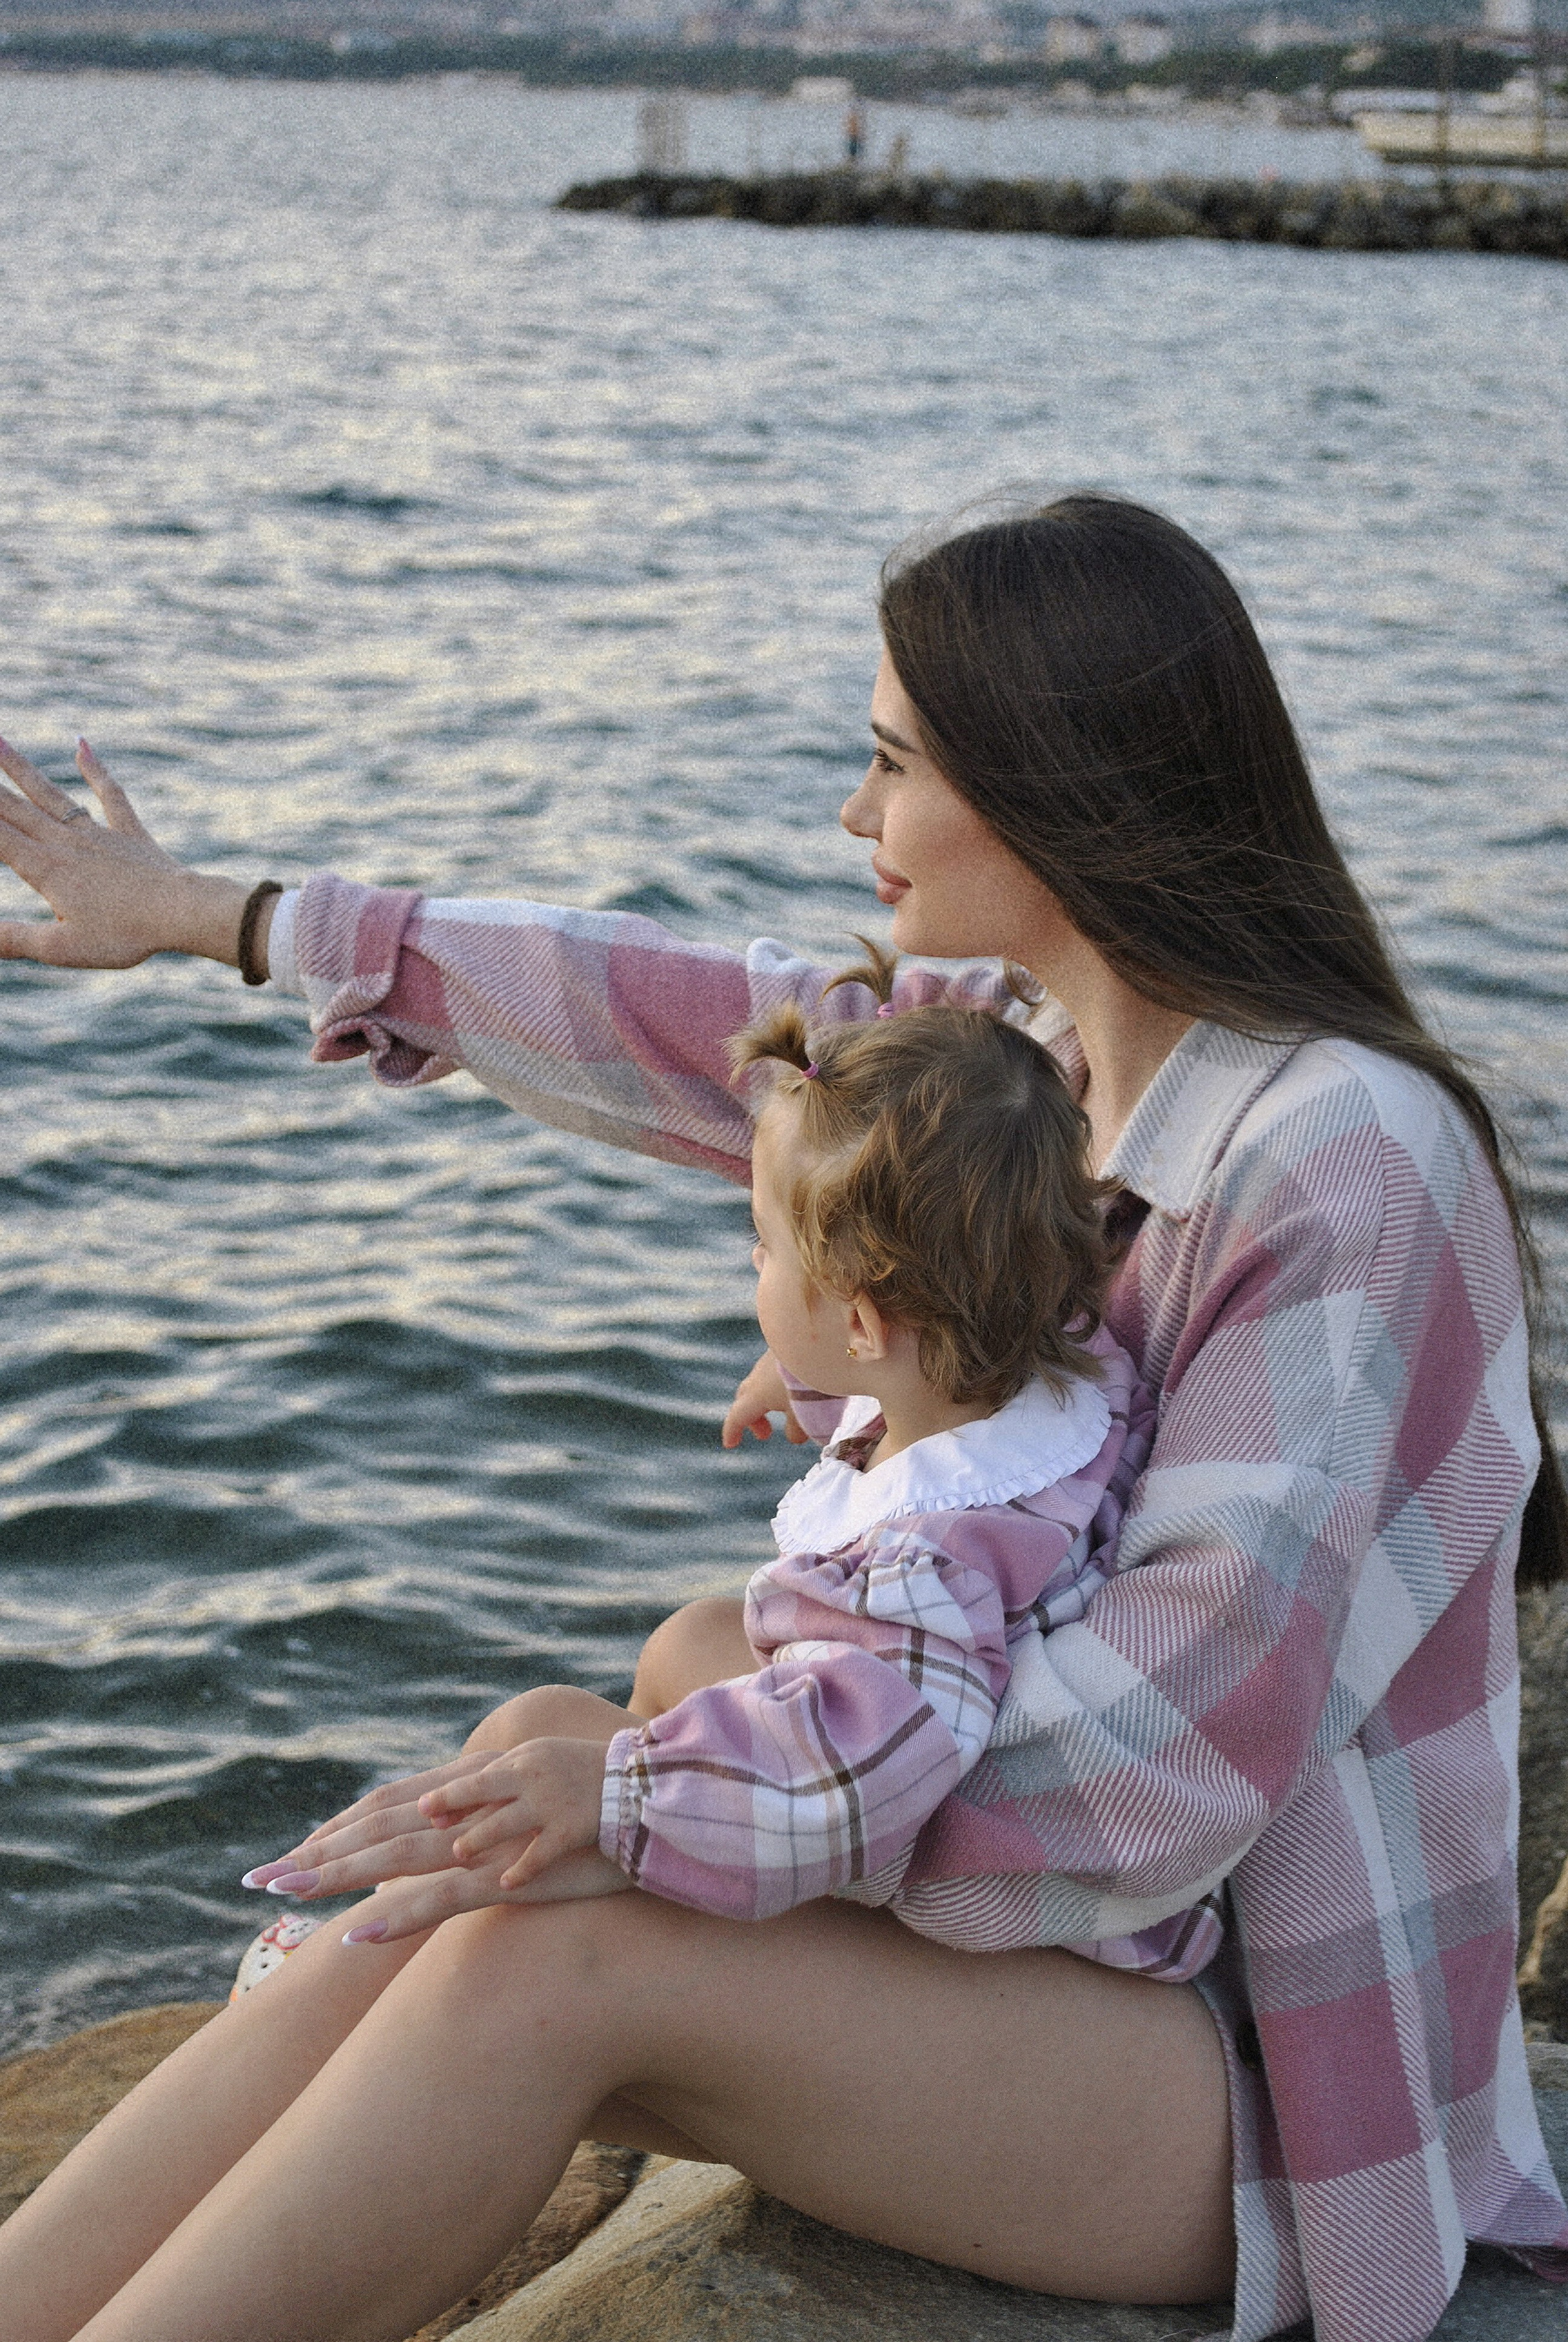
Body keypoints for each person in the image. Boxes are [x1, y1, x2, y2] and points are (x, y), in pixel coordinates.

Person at [0, 492, 1564, 2342]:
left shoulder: (1339, 1164)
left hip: (1264, 2084)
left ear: (1052, 790)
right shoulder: (1032, 1041)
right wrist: (226, 918)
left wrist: (657, 1809)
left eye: (892, 760)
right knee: (528, 1778)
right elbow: (699, 1028)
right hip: (1074, 1984)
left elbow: (1154, 1770)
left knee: (561, 1931)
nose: (853, 813)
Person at [245, 960, 1217, 1978]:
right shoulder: (1063, 1376)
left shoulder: (933, 1568)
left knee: (540, 1741)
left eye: (763, 1249)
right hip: (1037, 1835)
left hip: (1014, 1929)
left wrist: (624, 1801)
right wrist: (812, 1377)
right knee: (689, 1644)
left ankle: (348, 1967)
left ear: (858, 1318)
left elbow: (850, 1776)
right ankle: (377, 1946)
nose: (753, 1266)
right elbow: (952, 1321)